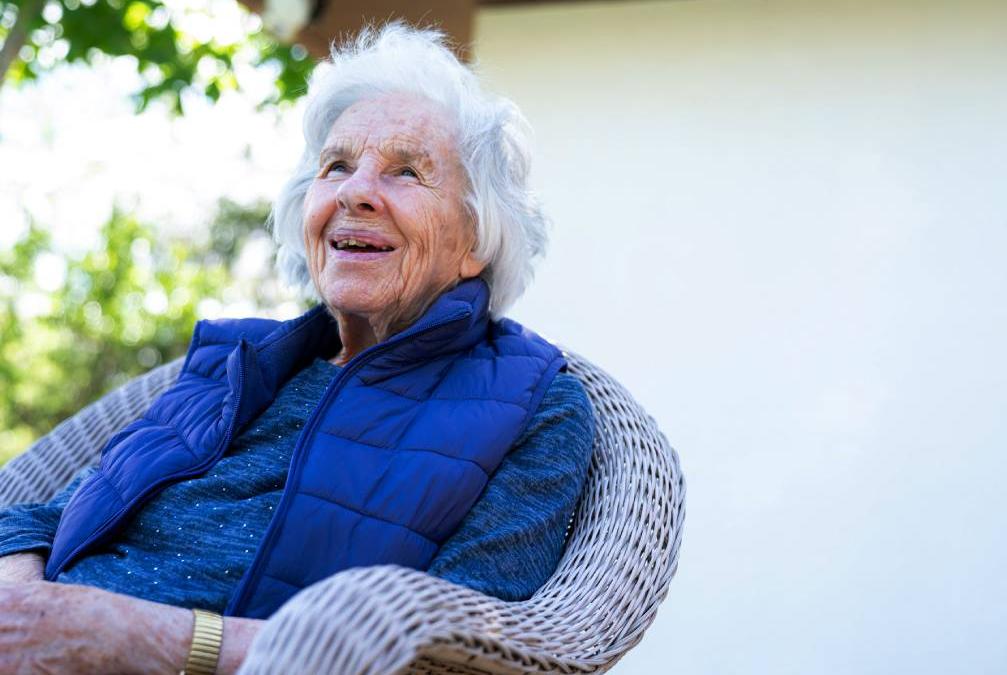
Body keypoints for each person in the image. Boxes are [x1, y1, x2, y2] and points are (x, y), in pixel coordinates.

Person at [0, 22, 594, 674]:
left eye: (405, 171)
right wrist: (26, 610)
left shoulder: (533, 403)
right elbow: (45, 514)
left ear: (477, 238)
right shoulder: (236, 363)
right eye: (336, 165)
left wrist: (139, 636)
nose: (354, 191)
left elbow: (459, 651)